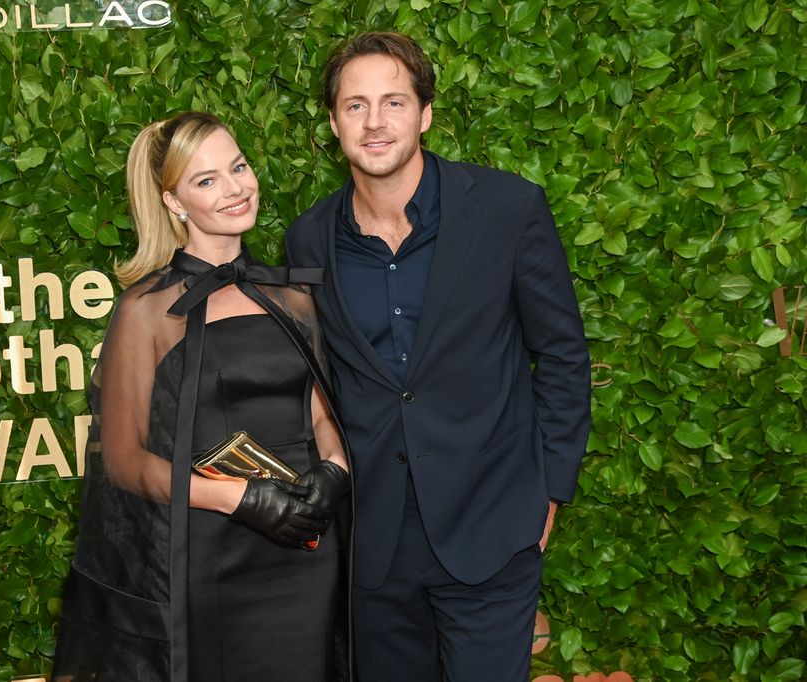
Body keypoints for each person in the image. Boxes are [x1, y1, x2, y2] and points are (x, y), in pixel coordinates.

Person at [285, 32, 591, 681]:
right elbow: (321, 377)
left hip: (492, 527)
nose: (374, 123)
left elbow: (561, 352)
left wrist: (551, 487)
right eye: (355, 105)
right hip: (374, 545)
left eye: (393, 102)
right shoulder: (309, 238)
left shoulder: (509, 210)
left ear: (424, 114)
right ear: (333, 122)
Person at [53, 111, 351, 682]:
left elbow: (318, 404)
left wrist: (335, 470)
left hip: (306, 543)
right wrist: (239, 499)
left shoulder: (291, 294)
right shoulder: (146, 311)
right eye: (207, 180)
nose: (236, 188)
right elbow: (123, 460)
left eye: (237, 167)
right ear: (174, 202)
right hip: (211, 552)